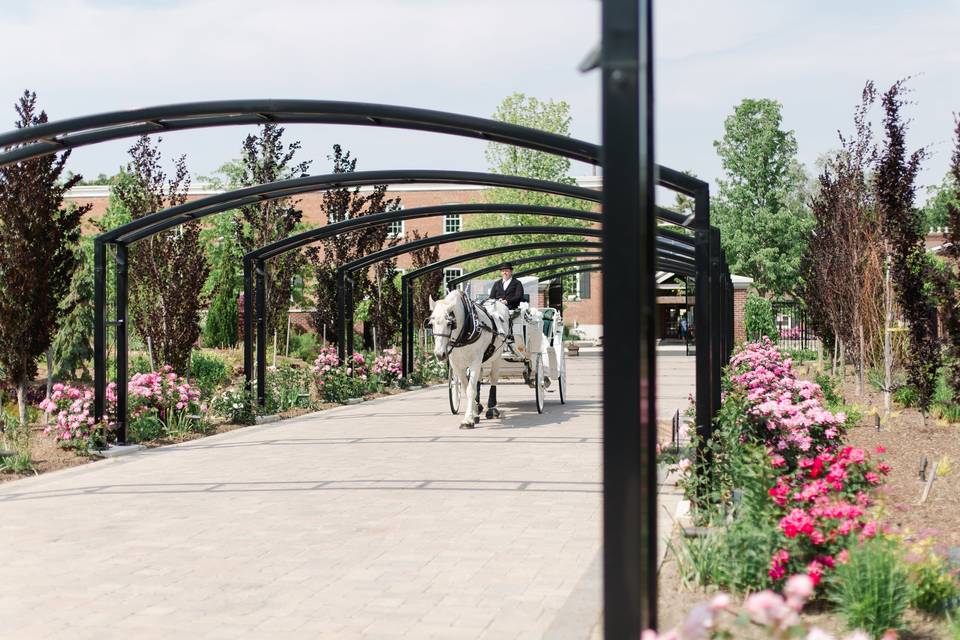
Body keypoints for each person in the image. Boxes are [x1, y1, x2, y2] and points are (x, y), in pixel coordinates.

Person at [488, 264, 524, 341]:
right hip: (496, 309)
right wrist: (498, 301)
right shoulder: (497, 283)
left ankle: (509, 336)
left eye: (506, 271)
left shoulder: (517, 283)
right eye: (503, 271)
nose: (504, 272)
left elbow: (519, 297)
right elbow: (491, 297)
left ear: (511, 272)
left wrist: (507, 301)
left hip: (511, 309)